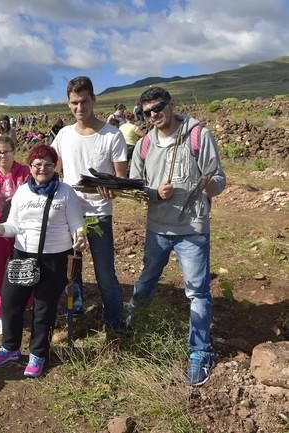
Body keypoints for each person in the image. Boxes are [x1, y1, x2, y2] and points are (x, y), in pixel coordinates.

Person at [128, 86, 226, 386]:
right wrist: (154, 193)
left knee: (197, 291)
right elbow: (134, 185)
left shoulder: (199, 136)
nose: (154, 115)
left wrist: (208, 185)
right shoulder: (144, 144)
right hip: (157, 227)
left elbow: (219, 180)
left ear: (171, 105)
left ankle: (199, 351)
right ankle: (136, 328)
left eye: (158, 108)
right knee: (145, 281)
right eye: (147, 112)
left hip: (192, 230)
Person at [0, 145, 86, 378]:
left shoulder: (65, 192)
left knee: (43, 308)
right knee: (10, 303)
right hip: (22, 256)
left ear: (54, 167)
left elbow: (77, 224)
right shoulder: (22, 192)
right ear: (30, 167)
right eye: (38, 164)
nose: (43, 169)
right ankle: (10, 348)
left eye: (48, 164)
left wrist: (80, 238)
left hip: (55, 258)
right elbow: (12, 226)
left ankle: (38, 354)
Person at [51, 76, 128, 333]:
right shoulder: (63, 136)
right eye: (74, 103)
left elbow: (121, 179)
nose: (79, 108)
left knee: (105, 274)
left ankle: (114, 325)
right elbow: (52, 170)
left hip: (99, 214)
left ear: (93, 99)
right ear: (68, 103)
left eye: (84, 101)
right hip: (69, 215)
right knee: (72, 271)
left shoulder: (112, 135)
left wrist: (111, 186)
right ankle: (76, 317)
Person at [0, 135, 30, 334]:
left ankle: (23, 308)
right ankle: (0, 313)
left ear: (14, 152)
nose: (2, 156)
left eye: (6, 152)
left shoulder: (25, 173)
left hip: (21, 231)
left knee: (23, 270)